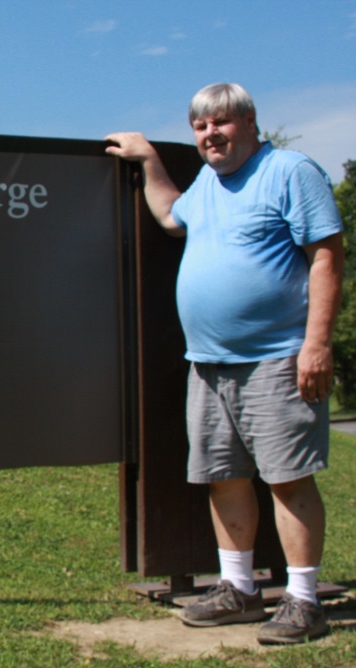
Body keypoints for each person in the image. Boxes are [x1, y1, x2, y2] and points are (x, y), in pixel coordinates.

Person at [105, 82, 344, 645]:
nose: (211, 134)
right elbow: (169, 216)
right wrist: (149, 161)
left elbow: (327, 254)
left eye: (222, 122)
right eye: (201, 126)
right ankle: (238, 589)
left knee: (288, 479)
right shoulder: (208, 184)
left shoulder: (290, 172)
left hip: (278, 360)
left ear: (249, 122)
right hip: (209, 366)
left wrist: (317, 345)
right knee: (225, 478)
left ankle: (303, 600)